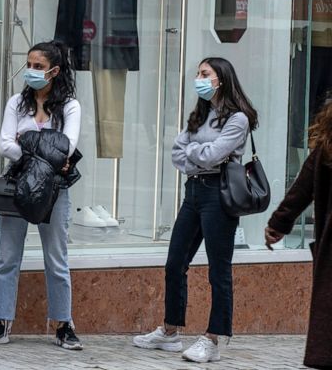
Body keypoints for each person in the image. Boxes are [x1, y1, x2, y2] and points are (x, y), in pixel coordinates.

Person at [134, 57, 258, 364]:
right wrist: (198, 155)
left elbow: (214, 154)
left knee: (219, 269)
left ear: (221, 79)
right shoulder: (201, 114)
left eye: (205, 74)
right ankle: (170, 331)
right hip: (193, 192)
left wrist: (196, 153)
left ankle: (214, 338)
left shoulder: (238, 119)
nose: (199, 79)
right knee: (175, 262)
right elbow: (178, 153)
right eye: (198, 73)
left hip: (220, 194)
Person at [0, 40, 83, 350]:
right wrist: (46, 147)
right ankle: (1, 322)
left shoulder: (70, 106)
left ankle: (63, 324)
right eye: (29, 65)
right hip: (18, 184)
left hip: (54, 189)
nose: (31, 71)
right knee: (7, 257)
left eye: (38, 66)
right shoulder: (16, 103)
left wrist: (27, 140)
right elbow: (4, 144)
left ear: (54, 71)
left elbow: (67, 148)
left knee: (56, 258)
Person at [265, 99, 332, 369]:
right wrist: (279, 223)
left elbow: (302, 188)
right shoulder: (326, 148)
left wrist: (278, 224)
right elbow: (304, 187)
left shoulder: (326, 146)